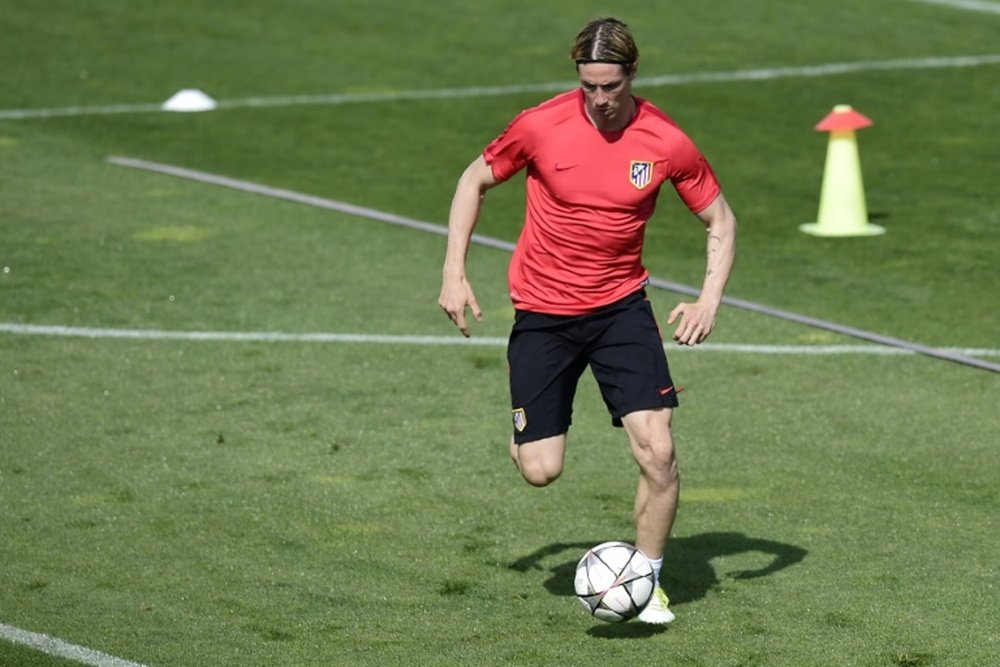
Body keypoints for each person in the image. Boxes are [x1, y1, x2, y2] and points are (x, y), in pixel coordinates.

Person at [438, 17, 737, 624]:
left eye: (610, 85)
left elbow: (721, 222)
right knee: (540, 470)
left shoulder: (665, 141)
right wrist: (454, 271)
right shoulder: (541, 125)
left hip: (620, 310)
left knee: (659, 453)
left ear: (632, 75)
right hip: (544, 313)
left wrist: (708, 299)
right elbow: (474, 179)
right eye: (588, 85)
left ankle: (647, 581)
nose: (599, 99)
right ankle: (526, 428)